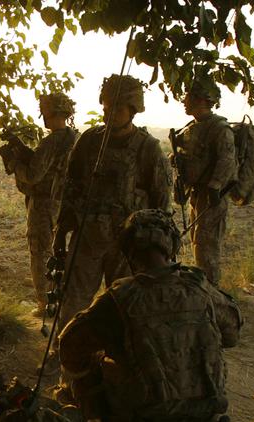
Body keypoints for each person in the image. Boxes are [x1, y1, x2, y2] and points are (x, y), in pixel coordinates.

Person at [57, 209, 242, 422]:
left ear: (128, 252)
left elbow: (69, 345)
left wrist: (93, 377)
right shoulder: (202, 288)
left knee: (84, 382)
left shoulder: (120, 299)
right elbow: (232, 335)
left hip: (150, 421)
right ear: (171, 247)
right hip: (209, 413)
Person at [52, 75, 172, 333]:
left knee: (127, 308)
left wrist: (160, 250)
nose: (109, 113)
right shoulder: (88, 141)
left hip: (128, 244)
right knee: (73, 302)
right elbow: (70, 189)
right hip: (87, 239)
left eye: (117, 108)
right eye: (106, 106)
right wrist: (61, 231)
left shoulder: (148, 149)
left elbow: (162, 204)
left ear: (133, 110)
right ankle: (68, 356)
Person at [11, 93, 79, 317]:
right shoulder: (74, 138)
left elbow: (33, 174)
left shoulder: (52, 141)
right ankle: (59, 298)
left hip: (44, 203)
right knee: (59, 251)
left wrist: (15, 163)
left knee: (40, 250)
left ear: (52, 113)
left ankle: (45, 304)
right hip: (63, 202)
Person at [171, 80, 238, 285]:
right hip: (197, 193)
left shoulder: (219, 128)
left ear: (201, 100)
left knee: (206, 246)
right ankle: (203, 291)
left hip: (210, 197)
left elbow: (227, 159)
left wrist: (215, 186)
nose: (184, 101)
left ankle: (211, 293)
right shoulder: (192, 128)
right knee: (197, 241)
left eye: (188, 97)